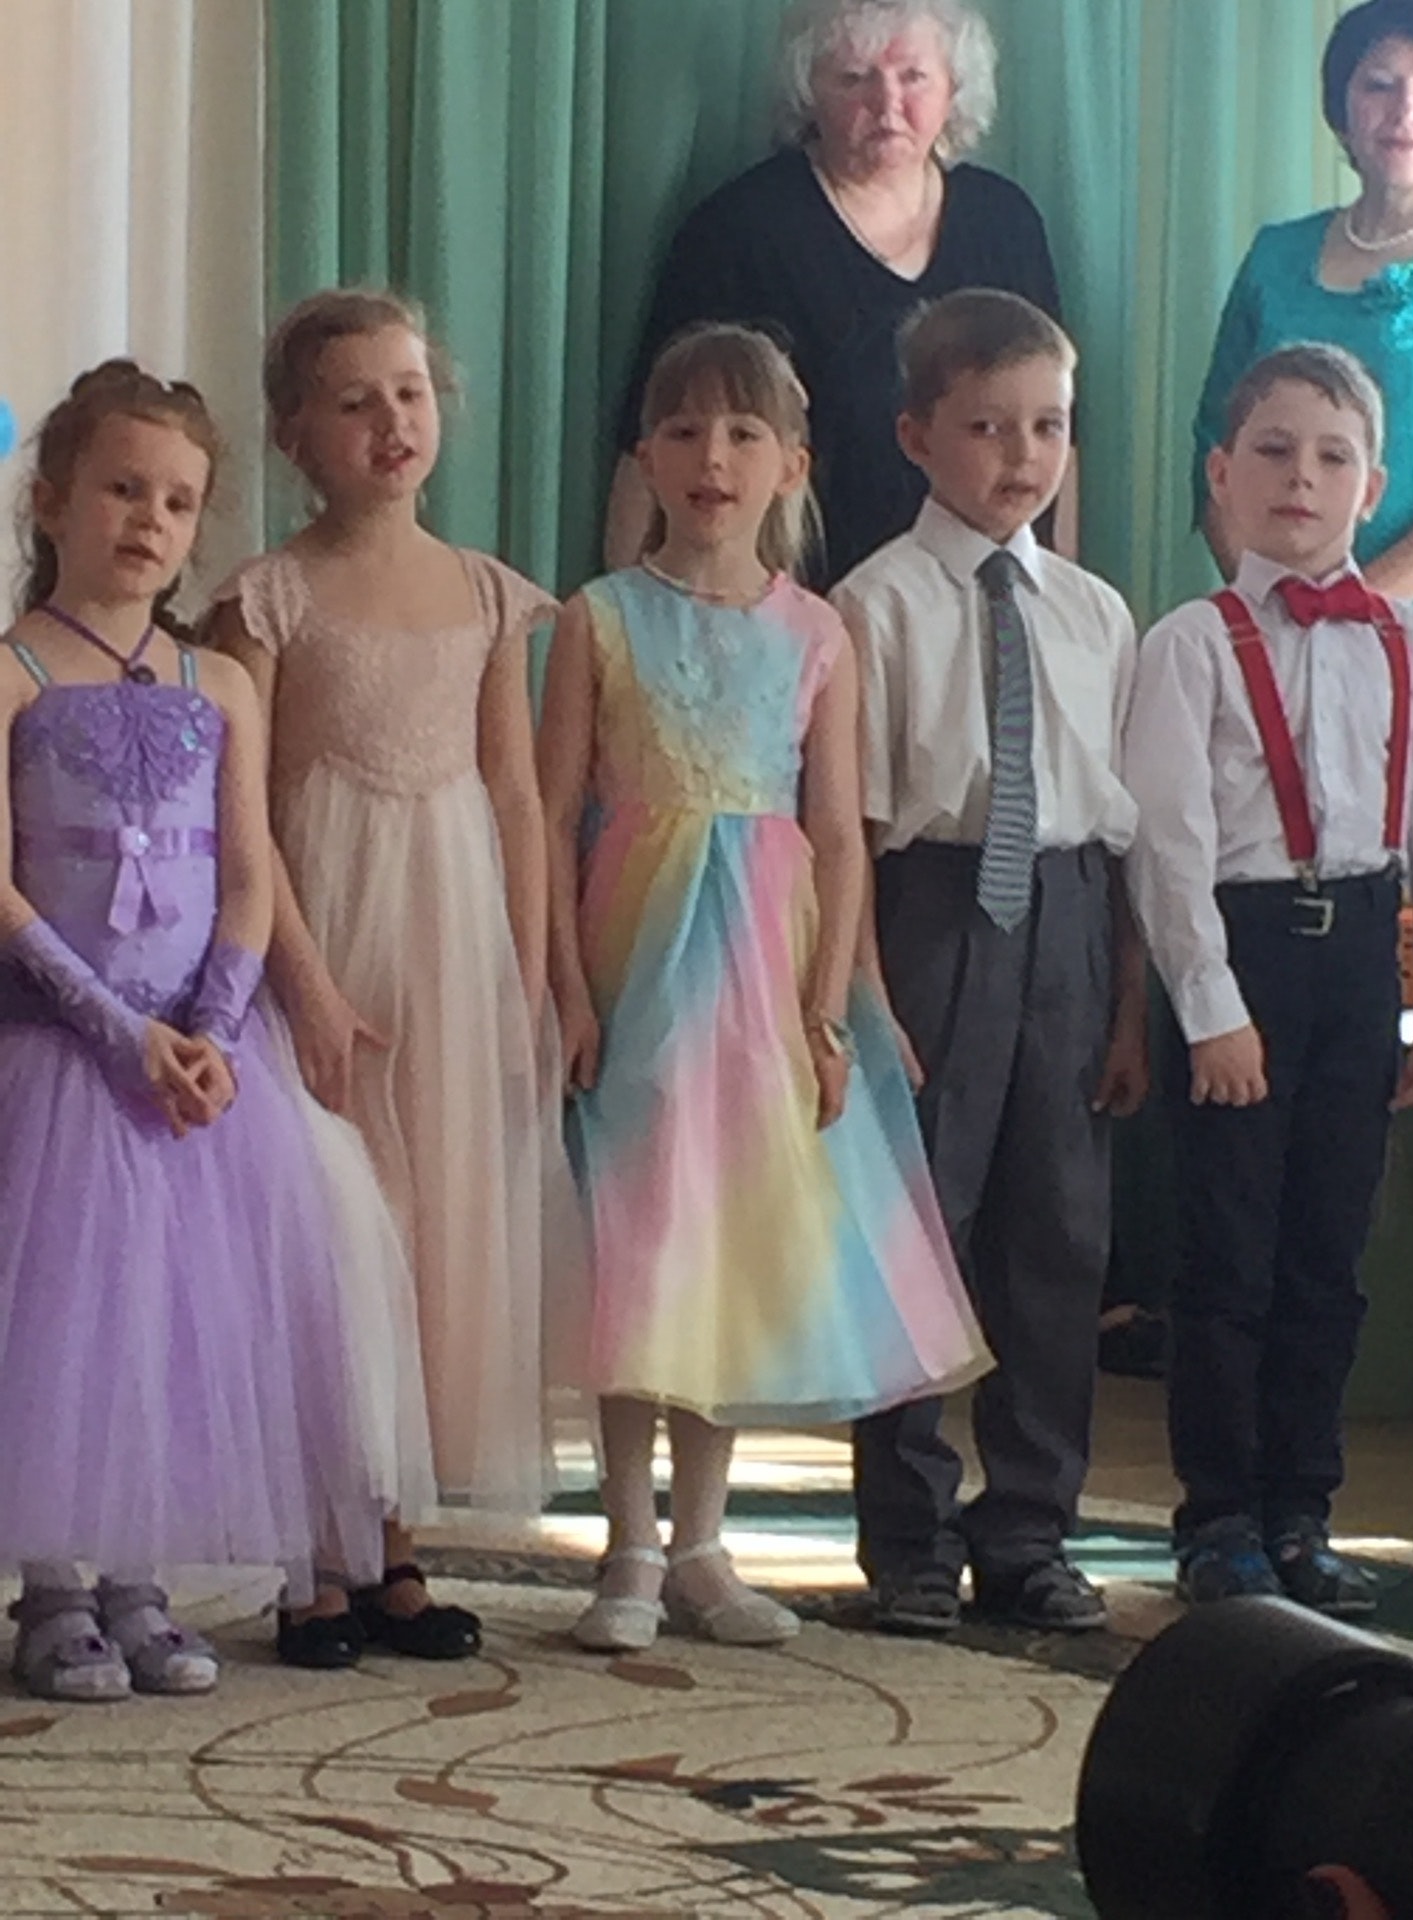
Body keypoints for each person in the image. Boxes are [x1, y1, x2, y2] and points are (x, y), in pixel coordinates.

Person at [539, 322, 990, 1655]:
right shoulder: (598, 618)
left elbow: (838, 832)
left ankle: (701, 1547)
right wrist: (565, 990)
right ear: (645, 457)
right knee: (643, 1244)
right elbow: (551, 816)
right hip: (637, 966)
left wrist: (830, 1007)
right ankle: (627, 1543)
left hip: (767, 977)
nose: (713, 458)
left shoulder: (818, 632)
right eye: (684, 431)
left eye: (743, 434)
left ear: (792, 462)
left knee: (729, 1246)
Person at [0, 362, 389, 1700]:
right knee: (61, 1325)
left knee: (167, 1327)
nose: (149, 521)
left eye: (177, 502)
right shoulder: (12, 673)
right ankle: (56, 1585)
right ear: (50, 500)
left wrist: (214, 1025)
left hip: (201, 1061)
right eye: (122, 488)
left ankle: (140, 1580)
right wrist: (120, 1034)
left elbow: (248, 872)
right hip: (62, 1053)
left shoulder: (219, 681)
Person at [208, 289, 558, 1662]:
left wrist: (521, 972)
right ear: (296, 434)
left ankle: (392, 1543)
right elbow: (243, 816)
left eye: (408, 393)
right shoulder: (268, 600)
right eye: (353, 402)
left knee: (428, 1241)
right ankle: (313, 1555)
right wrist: (298, 980)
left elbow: (516, 795)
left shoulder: (483, 593)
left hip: (452, 949)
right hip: (324, 944)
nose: (390, 422)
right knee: (333, 1235)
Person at [834, 289, 1148, 1635]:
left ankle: (1028, 1531)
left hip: (1067, 918)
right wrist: (862, 990)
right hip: (934, 910)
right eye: (987, 426)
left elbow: (1121, 829)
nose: (1023, 455)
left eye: (1049, 427)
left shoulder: (1097, 613)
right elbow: (848, 828)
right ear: (916, 435)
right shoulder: (874, 605)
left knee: (1058, 1236)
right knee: (920, 1223)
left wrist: (1128, 1005)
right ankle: (907, 1539)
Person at [1124, 343, 1413, 1610]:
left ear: (1372, 488)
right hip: (1241, 953)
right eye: (1272, 450)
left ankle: (1303, 1509)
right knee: (1230, 1256)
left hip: (1362, 957)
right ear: (1222, 474)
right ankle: (1219, 1519)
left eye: (1330, 456)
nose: (1300, 478)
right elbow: (1168, 841)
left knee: (1328, 1255)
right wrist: (1210, 1009)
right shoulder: (1189, 643)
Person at [607, 0, 1071, 590]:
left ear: (955, 86)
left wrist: (1054, 594)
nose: (887, 104)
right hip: (788, 615)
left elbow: (1060, 433)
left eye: (913, 76)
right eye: (854, 78)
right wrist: (631, 616)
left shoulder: (1007, 223)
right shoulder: (737, 233)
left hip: (979, 607)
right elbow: (651, 446)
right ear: (809, 91)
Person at [1195, 0, 1413, 612]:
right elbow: (1214, 441)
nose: (1406, 112)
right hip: (1269, 623)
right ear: (1341, 106)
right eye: (1379, 85)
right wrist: (1272, 605)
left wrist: (1348, 612)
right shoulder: (1275, 257)